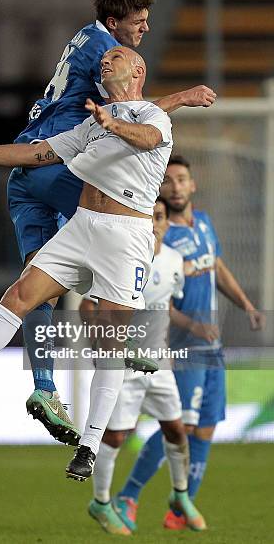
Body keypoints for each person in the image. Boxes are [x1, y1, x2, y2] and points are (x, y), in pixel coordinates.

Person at [0, 45, 174, 481]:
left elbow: (147, 140)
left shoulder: (152, 117)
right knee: (20, 294)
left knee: (110, 345)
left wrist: (113, 122)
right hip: (83, 226)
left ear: (138, 69)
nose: (106, 61)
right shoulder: (91, 124)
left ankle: (89, 446)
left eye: (116, 57)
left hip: (125, 239)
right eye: (105, 59)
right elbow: (35, 153)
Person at [5, 0, 217, 445]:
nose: (143, 32)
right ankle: (129, 335)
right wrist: (180, 98)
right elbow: (127, 120)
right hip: (59, 161)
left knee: (39, 281)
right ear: (115, 21)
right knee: (130, 218)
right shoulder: (109, 55)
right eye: (138, 23)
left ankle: (44, 388)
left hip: (25, 170)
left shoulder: (82, 36)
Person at [117, 155, 265, 530]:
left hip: (211, 348)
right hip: (182, 345)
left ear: (193, 185)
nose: (176, 186)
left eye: (182, 179)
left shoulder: (205, 224)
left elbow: (217, 267)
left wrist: (246, 304)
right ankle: (127, 496)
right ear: (160, 189)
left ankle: (181, 510)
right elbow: (161, 302)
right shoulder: (162, 239)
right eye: (168, 181)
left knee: (206, 428)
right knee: (178, 426)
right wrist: (194, 328)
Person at [80, 198, 205, 535]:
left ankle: (180, 496)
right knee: (117, 436)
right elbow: (87, 306)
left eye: (160, 217)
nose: (154, 222)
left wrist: (194, 327)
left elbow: (164, 307)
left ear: (167, 223)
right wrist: (100, 341)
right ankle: (101, 502)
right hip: (123, 365)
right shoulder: (121, 257)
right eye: (149, 215)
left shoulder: (175, 260)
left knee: (177, 430)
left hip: (159, 362)